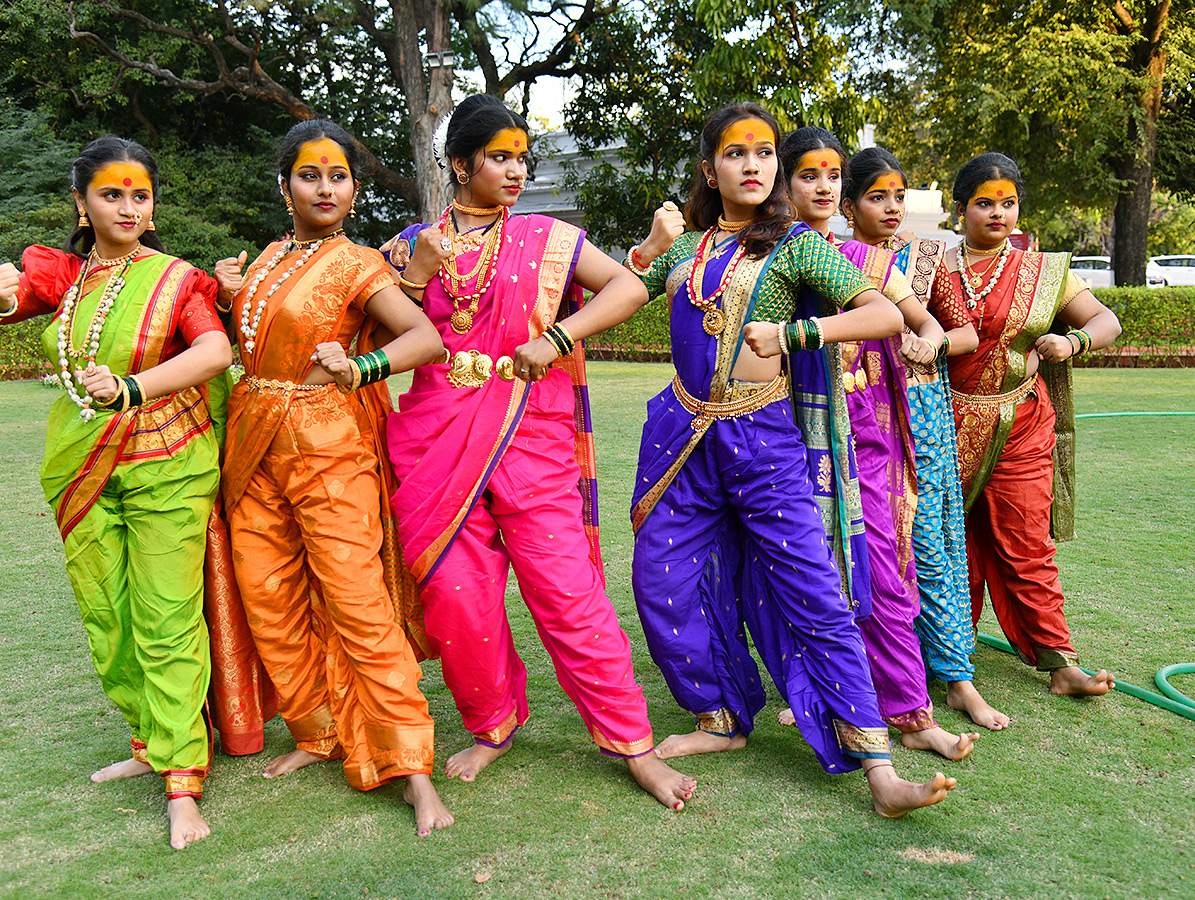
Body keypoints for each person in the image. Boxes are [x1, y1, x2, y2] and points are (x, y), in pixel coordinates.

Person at [627, 101, 955, 816]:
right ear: (709, 168)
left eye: (765, 152)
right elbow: (620, 290)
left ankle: (878, 769)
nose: (753, 164)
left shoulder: (798, 245)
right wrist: (647, 251)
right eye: (736, 153)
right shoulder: (689, 249)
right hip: (686, 439)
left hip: (765, 443)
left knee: (816, 596)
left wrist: (799, 333)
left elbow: (885, 316)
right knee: (661, 580)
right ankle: (719, 714)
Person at [379, 94, 696, 811]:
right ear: (460, 164)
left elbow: (628, 286)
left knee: (567, 593)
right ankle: (491, 726)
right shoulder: (407, 245)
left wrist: (556, 337)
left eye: (522, 156)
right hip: (435, 440)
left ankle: (634, 744)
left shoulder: (550, 239)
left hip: (532, 433)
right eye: (500, 156)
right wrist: (415, 274)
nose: (516, 169)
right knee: (459, 598)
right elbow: (381, 333)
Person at [214, 120, 453, 835]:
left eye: (339, 176)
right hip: (252, 444)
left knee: (356, 599)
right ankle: (317, 731)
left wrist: (362, 366)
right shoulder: (264, 258)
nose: (326, 188)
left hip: (327, 445)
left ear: (353, 187)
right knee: (267, 593)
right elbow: (257, 344)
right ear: (283, 183)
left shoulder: (357, 265)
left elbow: (424, 338)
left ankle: (411, 767)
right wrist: (231, 297)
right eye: (311, 175)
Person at [0, 136, 231, 849]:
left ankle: (183, 779)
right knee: (107, 612)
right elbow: (14, 302)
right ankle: (150, 739)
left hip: (168, 461)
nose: (129, 207)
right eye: (112, 194)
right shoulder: (64, 276)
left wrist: (132, 387)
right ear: (82, 201)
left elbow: (213, 352)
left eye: (140, 195)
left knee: (164, 615)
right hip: (80, 462)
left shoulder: (176, 280)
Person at [777, 128, 978, 759]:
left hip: (865, 428)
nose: (823, 187)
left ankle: (912, 715)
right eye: (808, 175)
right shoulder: (772, 251)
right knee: (809, 567)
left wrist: (925, 339)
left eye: (832, 176)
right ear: (784, 184)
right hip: (790, 429)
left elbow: (921, 320)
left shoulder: (865, 263)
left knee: (883, 569)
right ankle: (819, 694)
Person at [929, 152, 1120, 697]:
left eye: (1008, 203)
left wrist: (1072, 340)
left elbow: (1107, 321)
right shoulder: (930, 268)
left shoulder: (1044, 271)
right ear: (959, 208)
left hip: (1021, 422)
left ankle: (1059, 662)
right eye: (984, 203)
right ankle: (947, 660)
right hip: (943, 421)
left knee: (1027, 540)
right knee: (945, 544)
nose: (998, 214)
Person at [839, 146, 1008, 731]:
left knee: (931, 539)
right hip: (854, 409)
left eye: (899, 196)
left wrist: (931, 341)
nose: (891, 208)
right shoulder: (823, 256)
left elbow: (961, 331)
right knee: (857, 542)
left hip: (920, 406)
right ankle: (848, 675)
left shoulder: (925, 258)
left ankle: (956, 677)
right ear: (848, 203)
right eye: (876, 196)